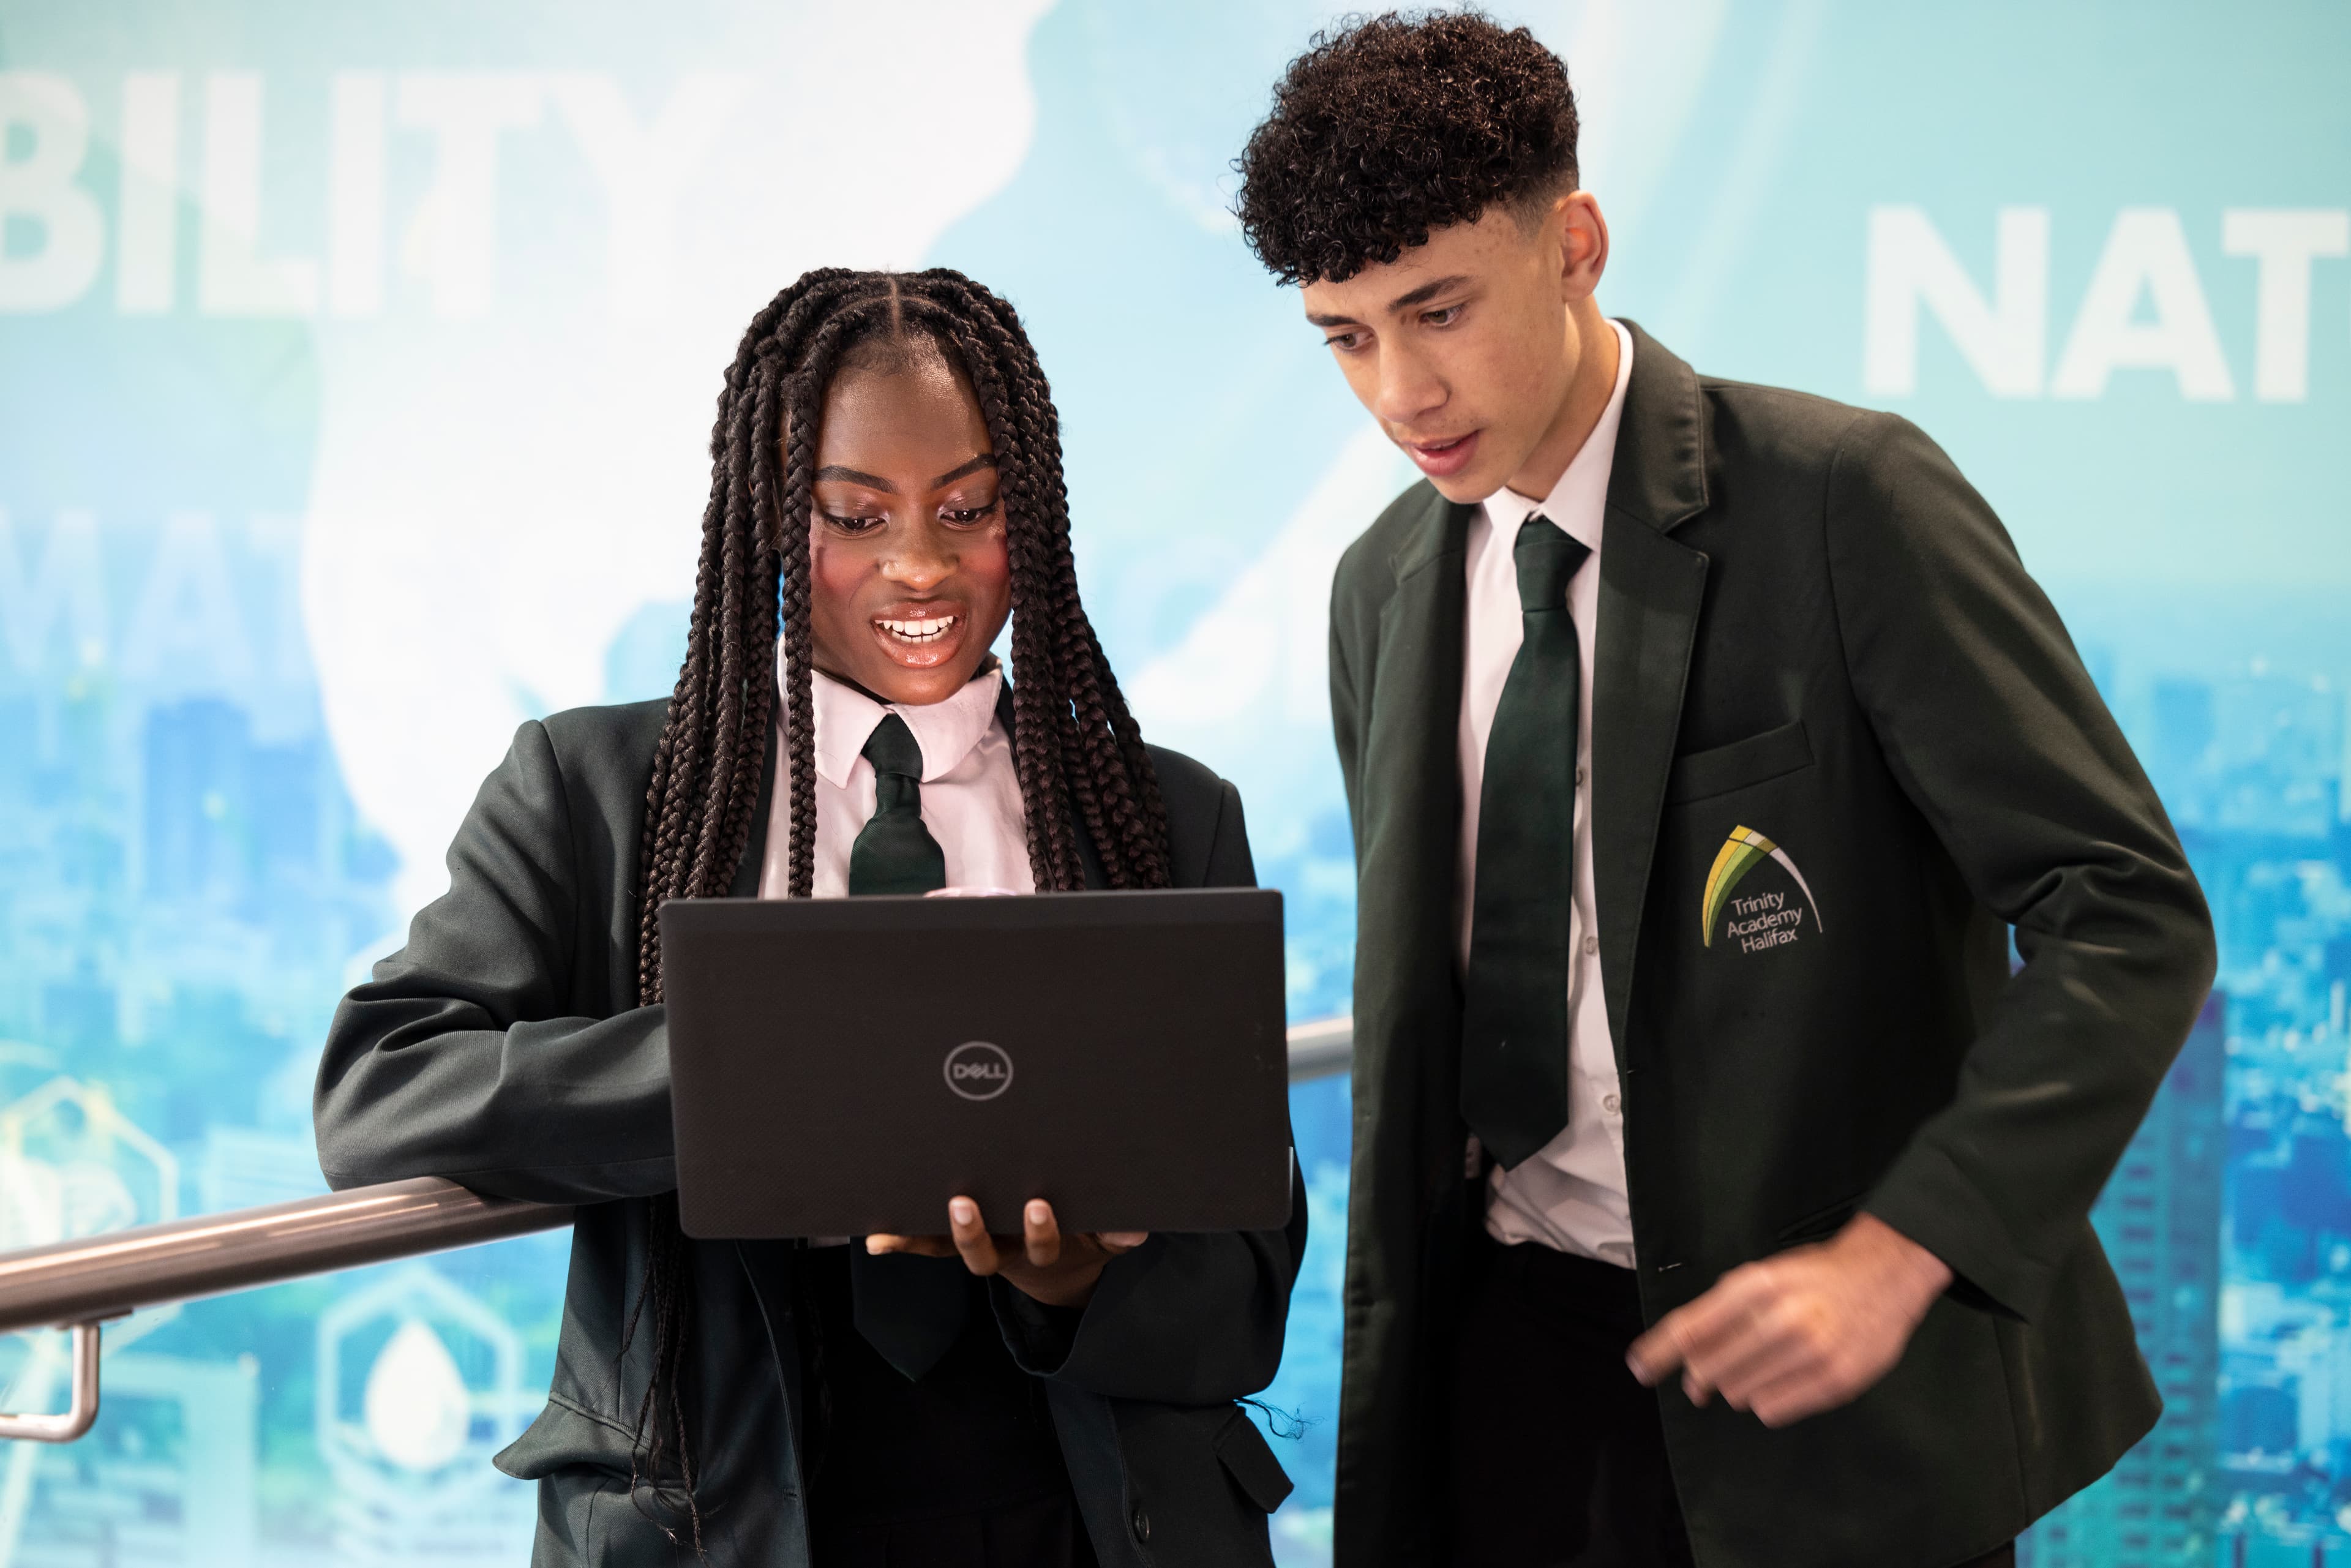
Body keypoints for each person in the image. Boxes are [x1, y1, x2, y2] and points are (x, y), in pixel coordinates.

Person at [1232, 14, 2216, 1568]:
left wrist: (1900, 1258)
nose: (1401, 393)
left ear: (1577, 243)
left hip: (1823, 1372)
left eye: (1438, 311)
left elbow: (2131, 918)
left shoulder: (1847, 499)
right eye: (1347, 336)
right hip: (1505, 1363)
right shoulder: (1382, 588)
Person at [313, 268, 1305, 1568]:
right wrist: (764, 1070)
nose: (922, 565)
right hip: (728, 1523)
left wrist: (1080, 1288)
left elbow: (1242, 1300)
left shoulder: (1160, 817)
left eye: (970, 509)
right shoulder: (599, 795)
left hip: (1085, 1517)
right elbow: (382, 1101)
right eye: (858, 513)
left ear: (1036, 514)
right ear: (780, 520)